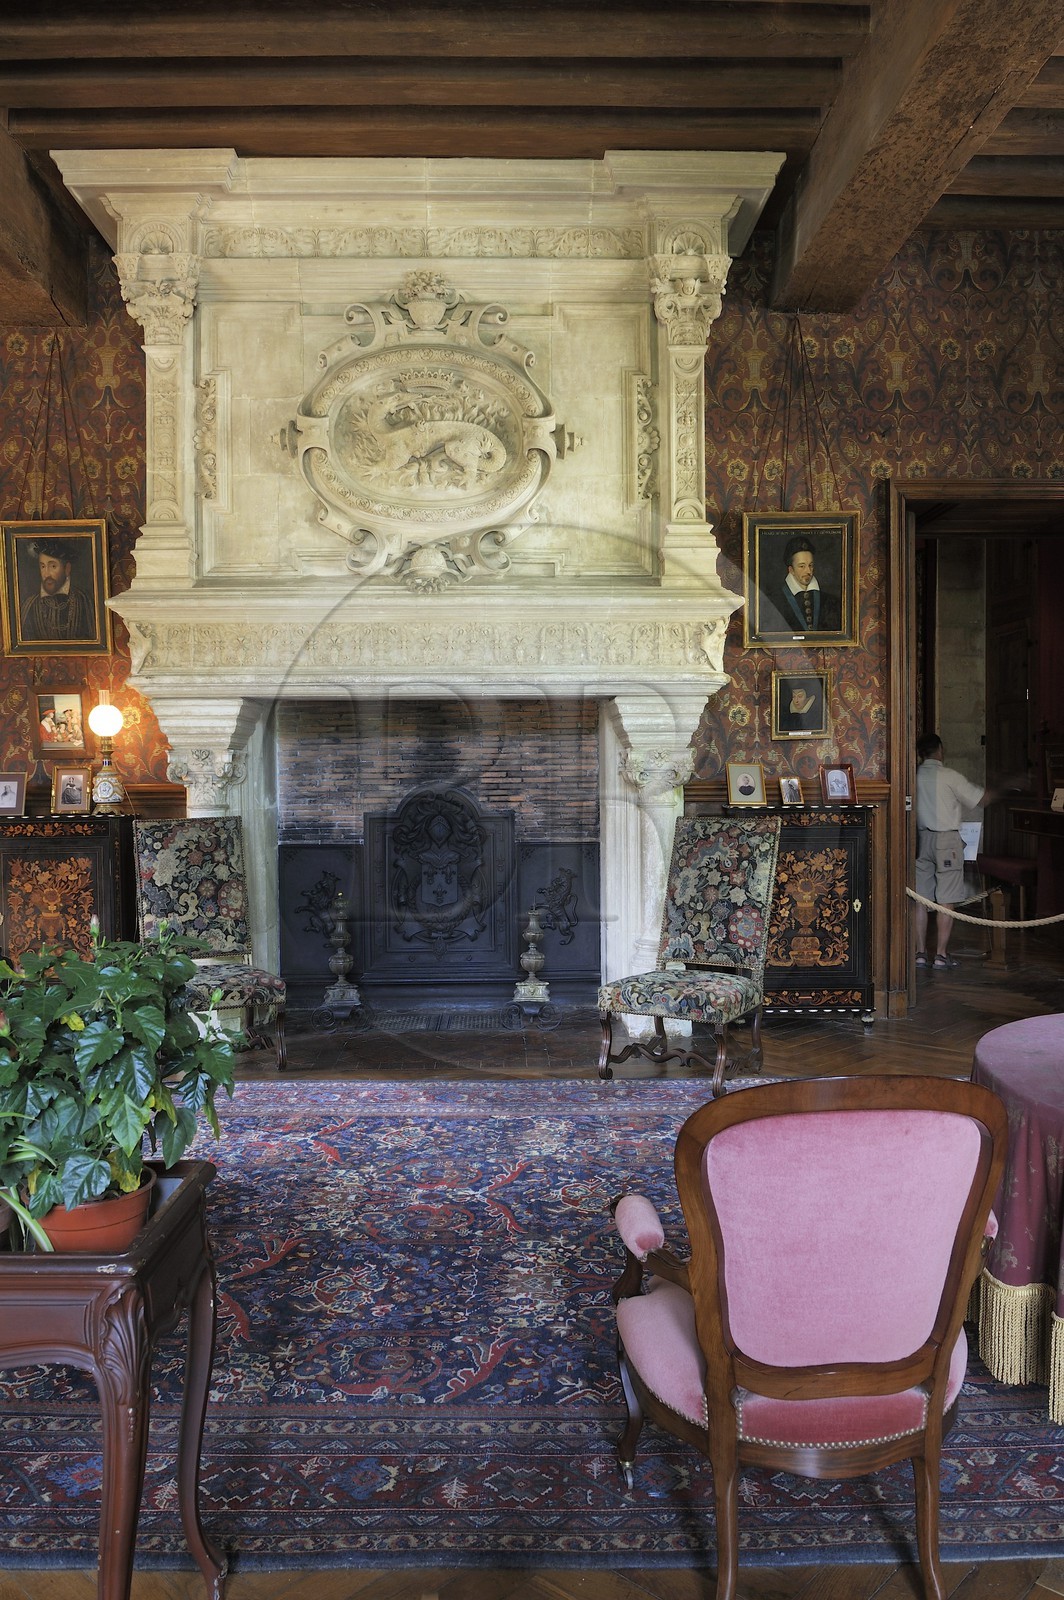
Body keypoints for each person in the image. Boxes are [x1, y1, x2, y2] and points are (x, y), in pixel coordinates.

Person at [913, 732, 1002, 971]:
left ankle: (920, 953)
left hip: (920, 839)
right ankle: (940, 955)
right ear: (940, 750)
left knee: (920, 899)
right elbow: (982, 799)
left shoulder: (913, 776)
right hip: (947, 841)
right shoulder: (949, 775)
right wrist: (1003, 786)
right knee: (947, 898)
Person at [761, 535, 841, 635]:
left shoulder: (831, 601)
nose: (808, 571)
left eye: (810, 565)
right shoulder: (773, 601)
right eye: (801, 566)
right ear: (791, 570)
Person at [20, 539, 95, 643]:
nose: (46, 574)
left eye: (53, 566)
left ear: (67, 569)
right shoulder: (30, 604)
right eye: (42, 566)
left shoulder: (83, 600)